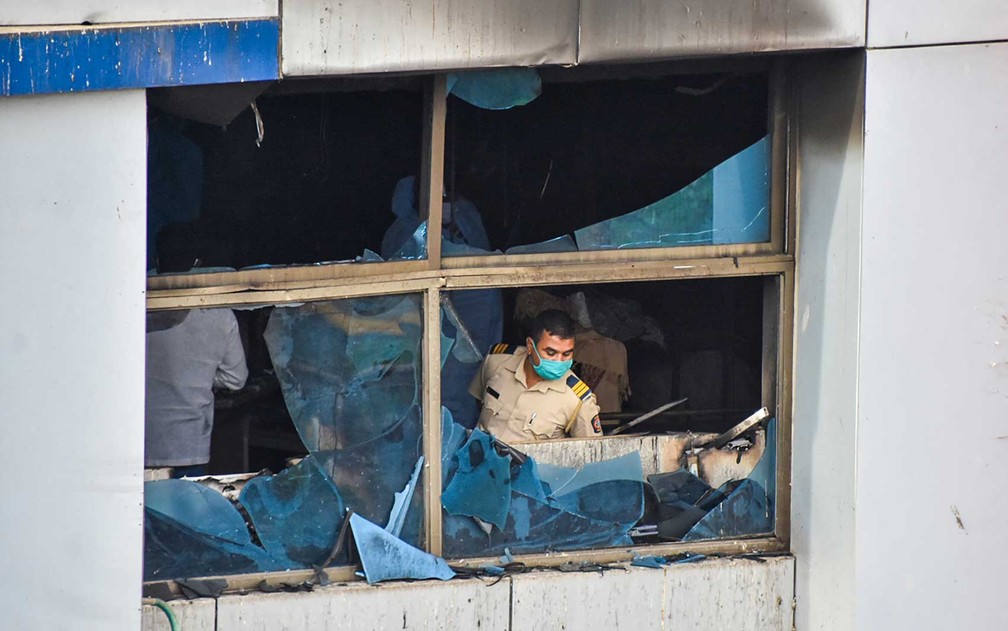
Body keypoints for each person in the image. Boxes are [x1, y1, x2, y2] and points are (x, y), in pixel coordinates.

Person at [145, 224, 248, 476]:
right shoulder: (220, 315)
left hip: (135, 441)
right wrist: (199, 374)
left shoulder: (138, 303)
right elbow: (236, 379)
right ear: (201, 263)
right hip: (188, 445)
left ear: (158, 259)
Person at [468, 309, 603, 443]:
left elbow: (592, 453)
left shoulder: (577, 400)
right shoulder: (497, 361)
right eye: (551, 353)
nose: (559, 360)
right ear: (530, 346)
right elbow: (478, 400)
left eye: (566, 354)